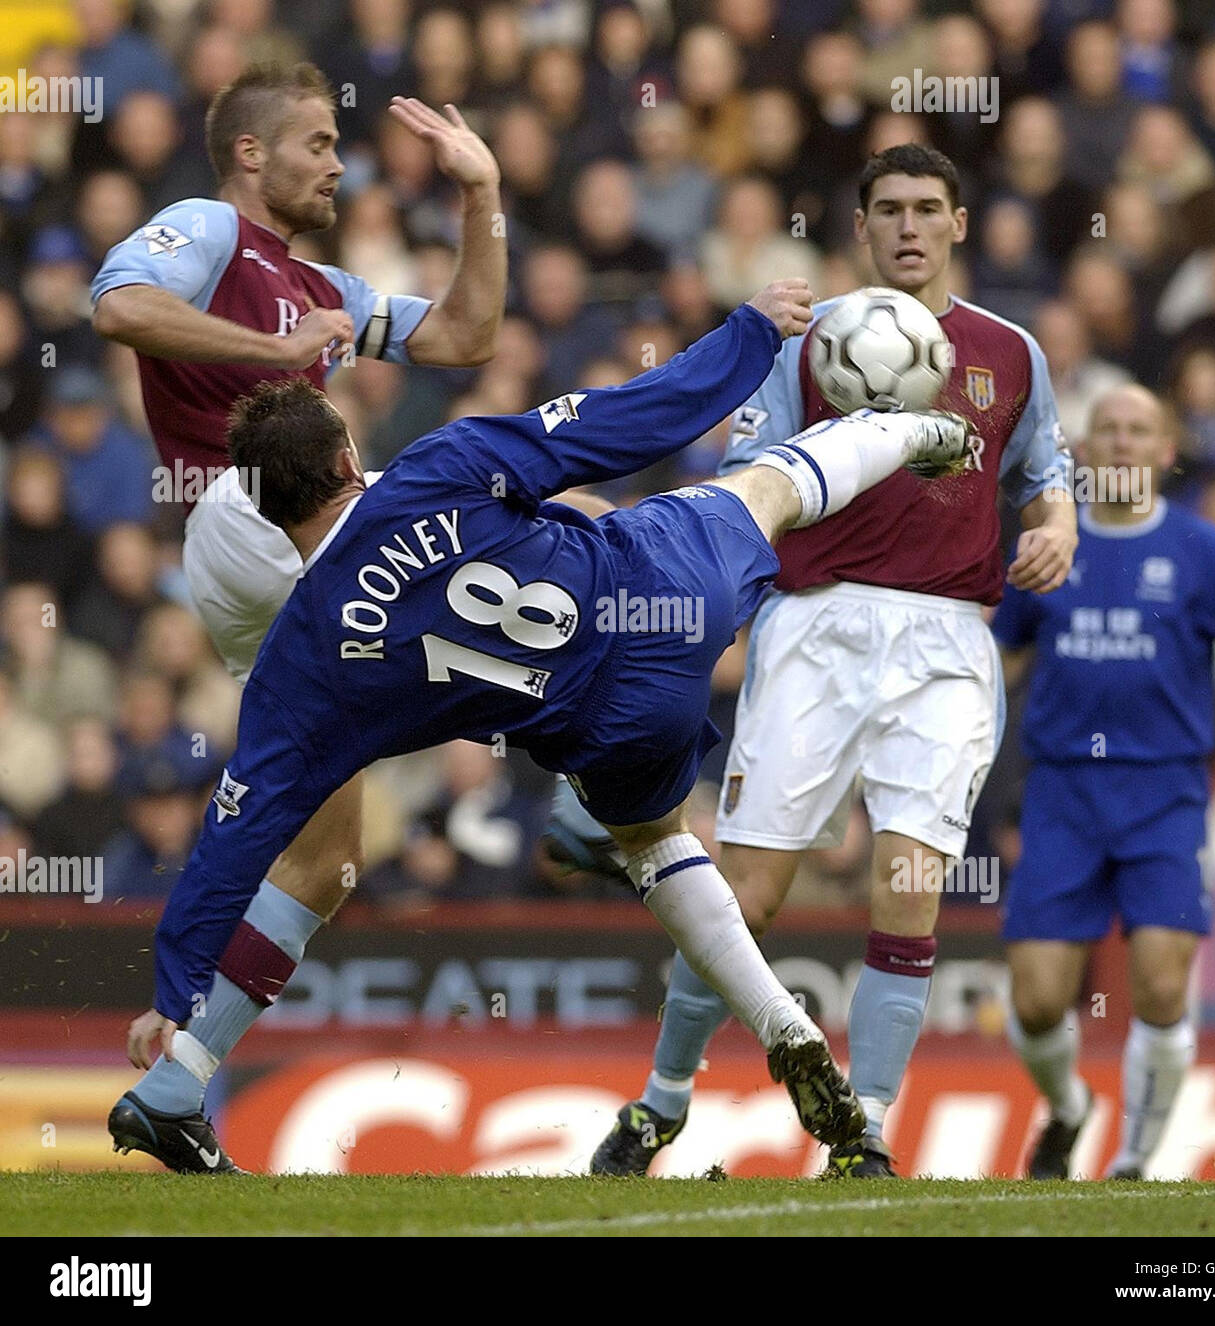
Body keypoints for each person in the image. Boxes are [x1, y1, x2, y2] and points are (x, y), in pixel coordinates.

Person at [107, 281, 975, 1171]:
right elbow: (629, 419)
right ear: (344, 462)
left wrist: (175, 986)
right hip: (659, 599)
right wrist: (749, 334)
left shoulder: (299, 671)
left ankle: (782, 1024)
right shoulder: (441, 464)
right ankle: (925, 432)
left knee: (648, 841)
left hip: (601, 731)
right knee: (765, 488)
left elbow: (233, 837)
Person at [587, 142, 1077, 1179]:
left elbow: (1044, 470)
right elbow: (745, 475)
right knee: (749, 894)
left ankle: (868, 1132)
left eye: (927, 209)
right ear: (860, 229)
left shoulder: (1011, 351)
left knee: (907, 888)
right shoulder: (806, 344)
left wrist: (1060, 525)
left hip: (947, 638)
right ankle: (659, 1103)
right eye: (888, 209)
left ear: (956, 224)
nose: (908, 226)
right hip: (817, 626)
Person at [89, 62, 507, 1167]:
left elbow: (466, 337)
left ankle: (179, 1080)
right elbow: (118, 302)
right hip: (245, 510)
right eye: (318, 142)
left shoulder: (322, 285)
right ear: (251, 155)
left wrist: (480, 196)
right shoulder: (207, 230)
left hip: (272, 567)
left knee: (326, 861)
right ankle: (581, 761)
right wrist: (274, 351)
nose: (337, 161)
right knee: (509, 521)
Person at [993, 383, 1215, 1180]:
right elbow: (1000, 655)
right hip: (1062, 793)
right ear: (1083, 454)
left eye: (1139, 430)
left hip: (1165, 794)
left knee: (1161, 985)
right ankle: (1066, 1107)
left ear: (1165, 452)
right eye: (1108, 431)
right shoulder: (1047, 549)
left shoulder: (1206, 551)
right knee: (1034, 1001)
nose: (1122, 443)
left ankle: (1132, 1160)